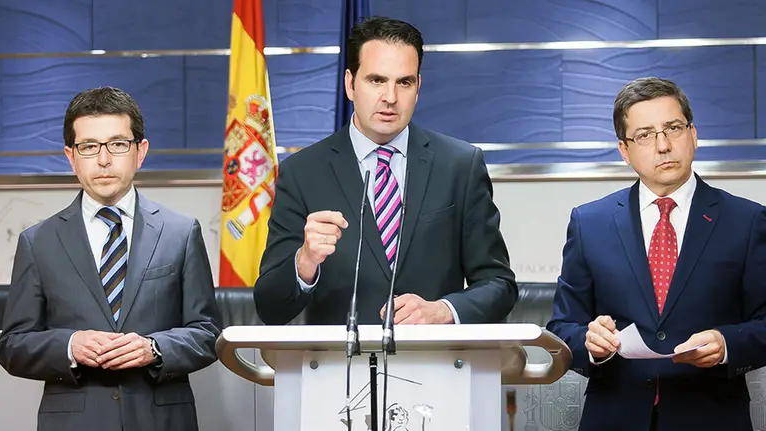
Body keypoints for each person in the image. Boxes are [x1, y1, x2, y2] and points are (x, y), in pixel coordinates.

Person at [254, 16, 517, 325]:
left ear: (418, 87)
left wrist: (443, 311)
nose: (390, 98)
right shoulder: (302, 172)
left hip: (436, 365)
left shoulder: (460, 165)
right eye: (376, 80)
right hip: (339, 368)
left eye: (404, 82)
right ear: (350, 84)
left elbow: (500, 285)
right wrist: (305, 261)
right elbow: (270, 308)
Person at [547, 77, 766, 430]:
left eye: (673, 128)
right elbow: (561, 327)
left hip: (711, 417)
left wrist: (727, 344)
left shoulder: (747, 220)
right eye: (645, 135)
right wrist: (590, 343)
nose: (663, 145)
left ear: (693, 135)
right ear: (624, 150)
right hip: (615, 417)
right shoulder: (590, 222)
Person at [0, 87, 221, 431]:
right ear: (71, 157)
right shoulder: (37, 242)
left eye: (117, 144)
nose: (103, 160)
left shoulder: (181, 232)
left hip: (162, 420)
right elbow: (13, 345)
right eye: (89, 147)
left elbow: (207, 333)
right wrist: (70, 345)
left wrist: (155, 348)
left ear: (140, 152)